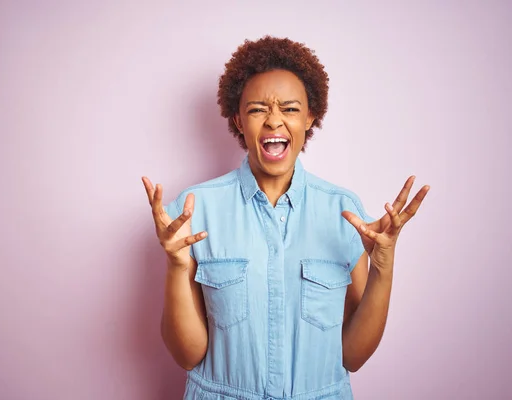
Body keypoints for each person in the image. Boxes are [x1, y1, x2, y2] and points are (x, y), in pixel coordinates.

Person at [142, 36, 429, 400]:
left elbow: (353, 357)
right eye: (258, 109)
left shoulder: (344, 212)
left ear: (310, 117)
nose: (274, 120)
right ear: (238, 119)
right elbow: (187, 355)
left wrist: (383, 267)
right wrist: (175, 266)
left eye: (290, 109)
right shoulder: (194, 210)